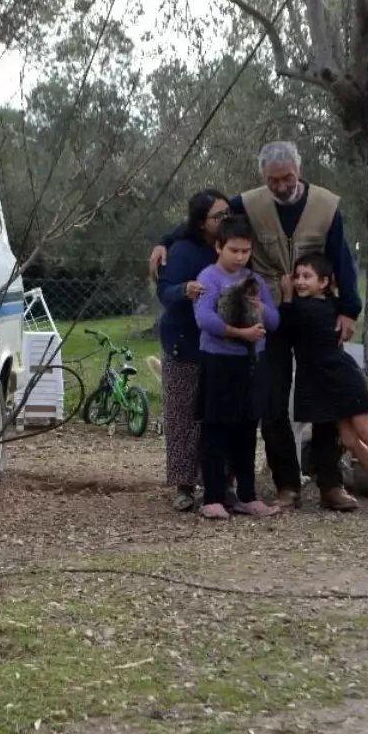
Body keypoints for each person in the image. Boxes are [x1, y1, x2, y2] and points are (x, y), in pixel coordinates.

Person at [147, 142, 361, 512]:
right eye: (272, 180)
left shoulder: (327, 206)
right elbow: (208, 219)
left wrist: (348, 310)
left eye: (287, 178)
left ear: (300, 170)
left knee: (327, 398)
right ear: (263, 177)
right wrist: (164, 240)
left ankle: (331, 483)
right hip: (268, 316)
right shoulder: (248, 202)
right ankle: (287, 485)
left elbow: (343, 259)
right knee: (271, 401)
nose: (280, 186)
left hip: (316, 317)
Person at [280, 253, 368, 515]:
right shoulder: (328, 304)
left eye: (307, 277)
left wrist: (287, 296)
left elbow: (287, 323)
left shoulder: (310, 308)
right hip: (324, 381)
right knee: (348, 438)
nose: (300, 282)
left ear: (324, 282)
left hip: (341, 377)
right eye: (297, 276)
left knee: (365, 430)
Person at [192, 215, 281, 520]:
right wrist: (240, 333)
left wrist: (260, 307)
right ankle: (213, 497)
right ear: (219, 246)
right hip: (219, 362)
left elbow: (273, 322)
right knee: (216, 429)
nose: (240, 257)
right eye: (234, 250)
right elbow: (205, 320)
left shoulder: (253, 281)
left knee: (246, 428)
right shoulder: (208, 279)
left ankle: (248, 495)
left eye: (245, 251)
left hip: (251, 364)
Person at [156, 189, 229, 511]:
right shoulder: (183, 251)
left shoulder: (231, 249)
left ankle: (220, 480)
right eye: (218, 216)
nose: (225, 220)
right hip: (184, 341)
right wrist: (184, 290)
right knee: (183, 416)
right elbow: (164, 290)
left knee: (218, 416)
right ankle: (184, 485)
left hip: (224, 345)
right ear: (201, 222)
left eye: (228, 214)